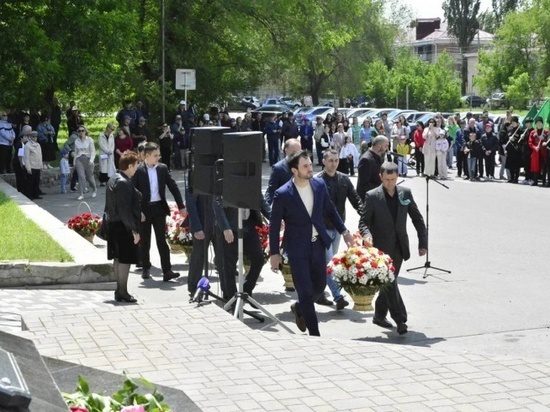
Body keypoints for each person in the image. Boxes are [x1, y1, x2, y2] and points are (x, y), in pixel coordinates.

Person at [269, 150, 354, 336]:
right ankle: (314, 334)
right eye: (305, 166)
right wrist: (274, 254)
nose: (310, 169)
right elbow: (274, 227)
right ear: (294, 170)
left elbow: (330, 210)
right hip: (297, 249)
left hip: (318, 245)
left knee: (320, 286)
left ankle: (300, 307)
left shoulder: (319, 184)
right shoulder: (282, 194)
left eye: (310, 164)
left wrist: (345, 232)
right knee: (305, 290)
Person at [359, 161, 427, 335]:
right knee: (389, 282)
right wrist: (367, 234)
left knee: (387, 282)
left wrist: (422, 243)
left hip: (399, 248)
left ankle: (379, 316)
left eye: (393, 179)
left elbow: (417, 219)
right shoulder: (372, 196)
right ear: (380, 177)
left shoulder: (405, 193)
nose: (390, 183)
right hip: (380, 249)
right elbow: (363, 222)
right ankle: (400, 319)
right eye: (387, 179)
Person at [317, 149, 362, 310]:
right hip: (321, 229)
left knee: (327, 263)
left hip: (338, 228)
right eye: (330, 160)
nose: (334, 163)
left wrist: (365, 215)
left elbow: (355, 199)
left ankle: (318, 292)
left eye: (336, 160)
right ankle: (338, 296)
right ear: (324, 161)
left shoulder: (343, 179)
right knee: (329, 263)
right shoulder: (317, 181)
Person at [132, 142, 184, 281]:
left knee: (162, 241)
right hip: (144, 210)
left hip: (159, 209)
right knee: (145, 241)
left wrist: (181, 205)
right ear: (147, 156)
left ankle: (167, 271)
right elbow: (132, 192)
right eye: (155, 155)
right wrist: (137, 211)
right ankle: (146, 267)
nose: (158, 157)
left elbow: (173, 186)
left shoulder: (162, 168)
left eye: (158, 155)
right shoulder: (138, 170)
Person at [105, 151, 142, 303]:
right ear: (129, 166)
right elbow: (124, 210)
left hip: (114, 225)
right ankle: (123, 291)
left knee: (118, 259)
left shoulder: (114, 178)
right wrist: (134, 230)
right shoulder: (123, 182)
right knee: (124, 260)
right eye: (136, 165)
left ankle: (119, 291)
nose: (137, 168)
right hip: (122, 227)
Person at [264, 138, 301, 205]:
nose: (296, 155)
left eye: (298, 152)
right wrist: (267, 209)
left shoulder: (304, 166)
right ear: (286, 150)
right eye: (293, 152)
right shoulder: (278, 168)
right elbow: (271, 190)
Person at [356, 135, 389, 201]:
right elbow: (364, 185)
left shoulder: (377, 156)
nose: (387, 148)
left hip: (375, 196)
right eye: (386, 146)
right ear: (379, 146)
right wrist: (383, 187)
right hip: (367, 199)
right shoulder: (366, 160)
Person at [74, 126, 97, 200]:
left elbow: (93, 151)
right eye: (79, 131)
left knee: (90, 178)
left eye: (82, 131)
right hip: (79, 159)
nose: (81, 132)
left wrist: (91, 161)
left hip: (88, 159)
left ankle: (94, 189)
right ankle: (81, 194)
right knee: (81, 176)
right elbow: (76, 152)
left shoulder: (90, 140)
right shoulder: (76, 141)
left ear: (85, 131)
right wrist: (74, 161)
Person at [528, 116, 549, 186]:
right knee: (535, 167)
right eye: (537, 123)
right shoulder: (533, 132)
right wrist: (534, 147)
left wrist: (545, 140)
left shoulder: (546, 132)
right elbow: (530, 142)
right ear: (535, 124)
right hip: (536, 153)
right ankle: (535, 181)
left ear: (542, 124)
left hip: (544, 153)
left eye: (540, 123)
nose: (539, 124)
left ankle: (544, 181)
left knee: (544, 167)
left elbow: (548, 141)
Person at [23, 130, 43, 200]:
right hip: (31, 166)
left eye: (36, 137)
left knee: (36, 182)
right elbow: (26, 158)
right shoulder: (27, 145)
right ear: (30, 137)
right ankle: (29, 195)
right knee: (30, 182)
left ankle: (36, 194)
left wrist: (41, 166)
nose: (35, 138)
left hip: (37, 166)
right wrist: (28, 168)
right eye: (33, 137)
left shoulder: (38, 145)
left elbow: (40, 156)